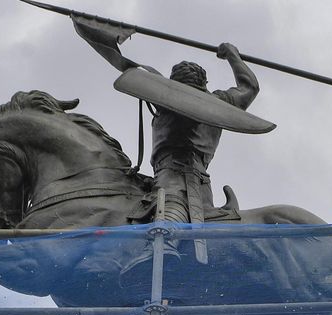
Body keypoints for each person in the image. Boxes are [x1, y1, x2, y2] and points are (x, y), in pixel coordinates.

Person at [74, 17, 259, 226]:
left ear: (172, 85)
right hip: (167, 179)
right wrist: (232, 55)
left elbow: (122, 62)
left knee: (167, 224)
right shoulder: (219, 102)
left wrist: (89, 28)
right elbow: (249, 87)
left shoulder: (170, 99)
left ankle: (168, 248)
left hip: (180, 186)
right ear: (205, 84)